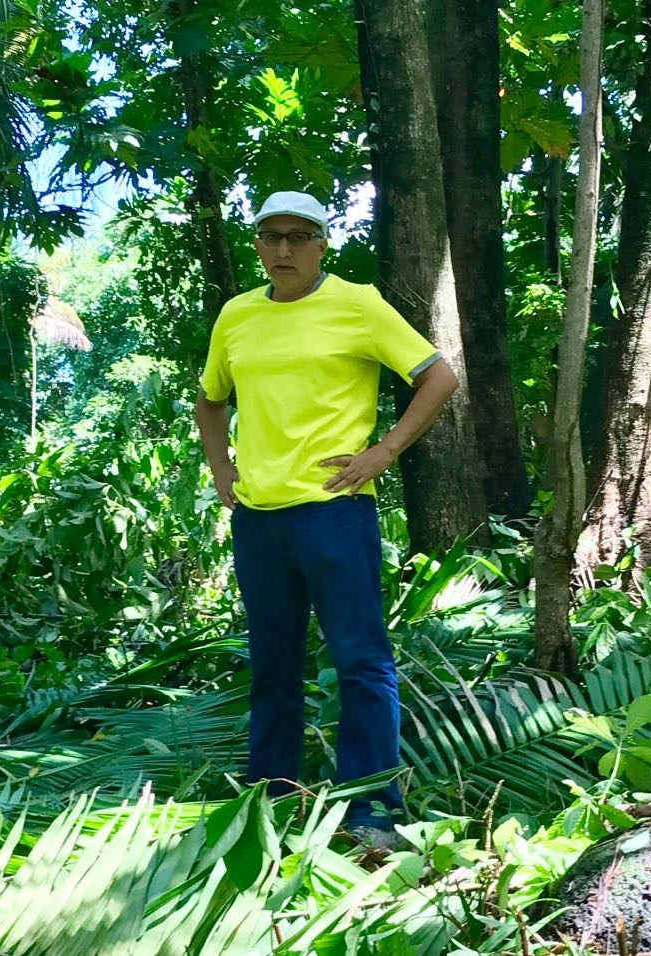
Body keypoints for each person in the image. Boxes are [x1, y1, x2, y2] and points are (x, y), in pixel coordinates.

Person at [195, 190, 460, 847]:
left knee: (360, 662)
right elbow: (209, 402)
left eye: (298, 236)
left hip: (335, 512)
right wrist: (222, 470)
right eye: (270, 236)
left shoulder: (357, 303)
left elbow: (439, 376)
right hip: (259, 519)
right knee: (273, 667)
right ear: (256, 244)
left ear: (321, 244)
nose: (283, 249)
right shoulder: (237, 316)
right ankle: (270, 802)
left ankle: (373, 812)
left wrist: (385, 450)